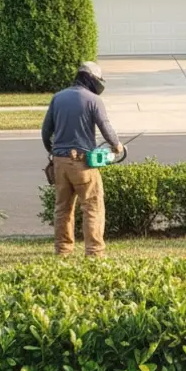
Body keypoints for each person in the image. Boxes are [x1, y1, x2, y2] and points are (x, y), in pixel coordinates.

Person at [41, 61, 124, 257]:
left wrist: (53, 152)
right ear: (92, 79)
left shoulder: (58, 97)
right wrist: (117, 145)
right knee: (92, 206)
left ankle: (62, 251)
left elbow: (46, 131)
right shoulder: (93, 100)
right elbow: (105, 127)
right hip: (83, 164)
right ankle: (94, 253)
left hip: (60, 163)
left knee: (62, 209)